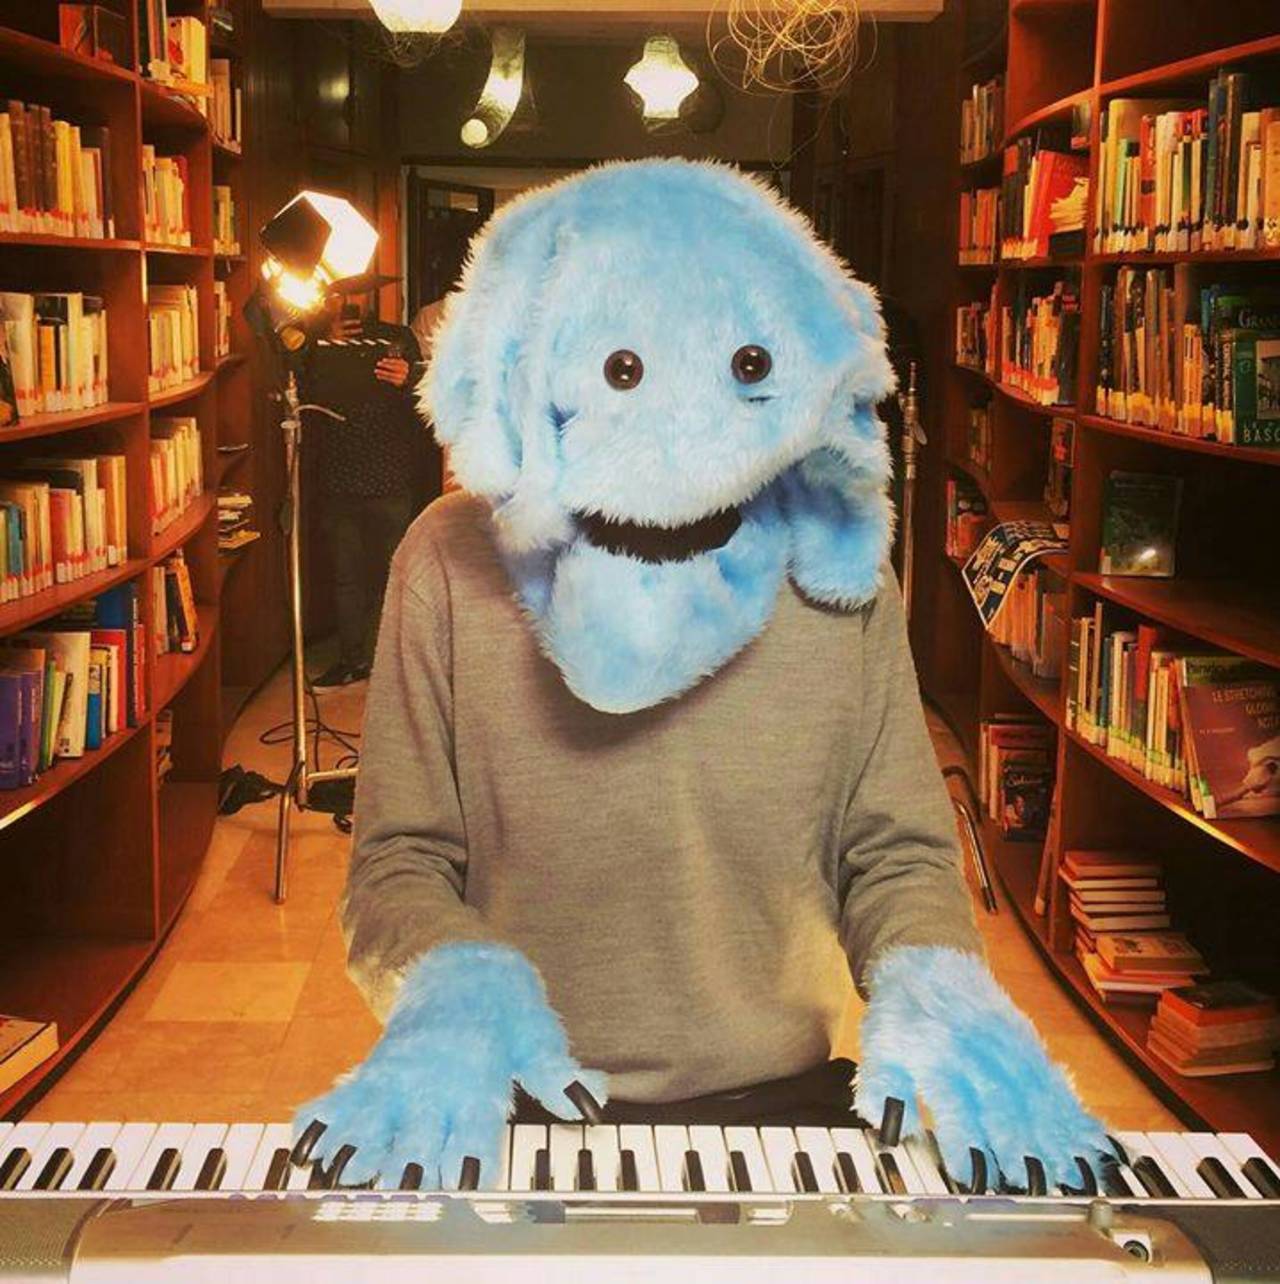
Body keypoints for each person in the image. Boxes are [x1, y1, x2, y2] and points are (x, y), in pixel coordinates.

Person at [295, 161, 1107, 1191]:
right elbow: (399, 860)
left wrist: (935, 987)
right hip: (512, 1094)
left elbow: (894, 852)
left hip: (782, 1106)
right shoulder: (447, 560)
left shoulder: (838, 568)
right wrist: (451, 994)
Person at [304, 296, 428, 691]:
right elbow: (301, 391)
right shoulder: (315, 341)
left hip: (390, 475)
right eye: (339, 298)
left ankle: (391, 660)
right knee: (347, 575)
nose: (349, 305)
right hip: (340, 475)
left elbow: (430, 398)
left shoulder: (398, 338)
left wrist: (408, 378)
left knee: (394, 573)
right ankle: (352, 659)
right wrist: (323, 347)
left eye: (355, 297)